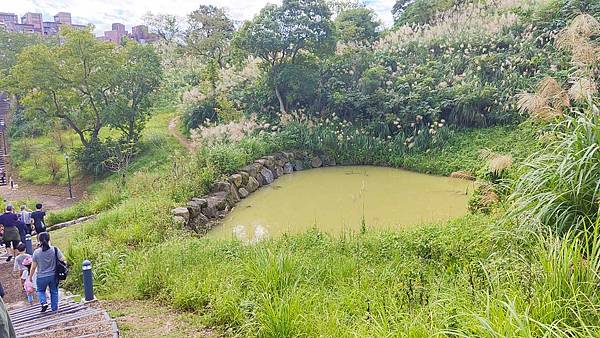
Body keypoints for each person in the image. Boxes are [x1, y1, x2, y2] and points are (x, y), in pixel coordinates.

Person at [29, 232, 66, 313]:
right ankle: (54, 308)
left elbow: (33, 267)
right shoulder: (55, 249)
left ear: (39, 240)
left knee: (40, 290)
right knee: (54, 291)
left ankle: (44, 302)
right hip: (53, 275)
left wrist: (30, 277)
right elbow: (63, 259)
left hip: (41, 276)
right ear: (49, 239)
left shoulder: (36, 252)